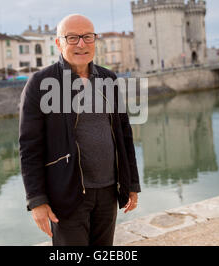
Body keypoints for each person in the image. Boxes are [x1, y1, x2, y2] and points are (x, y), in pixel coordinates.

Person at [19, 14, 141, 246]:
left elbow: (124, 136)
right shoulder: (40, 83)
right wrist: (36, 200)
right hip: (66, 193)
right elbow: (29, 147)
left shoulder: (109, 78)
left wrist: (131, 183)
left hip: (108, 190)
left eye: (87, 37)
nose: (81, 44)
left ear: (95, 40)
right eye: (72, 38)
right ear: (58, 43)